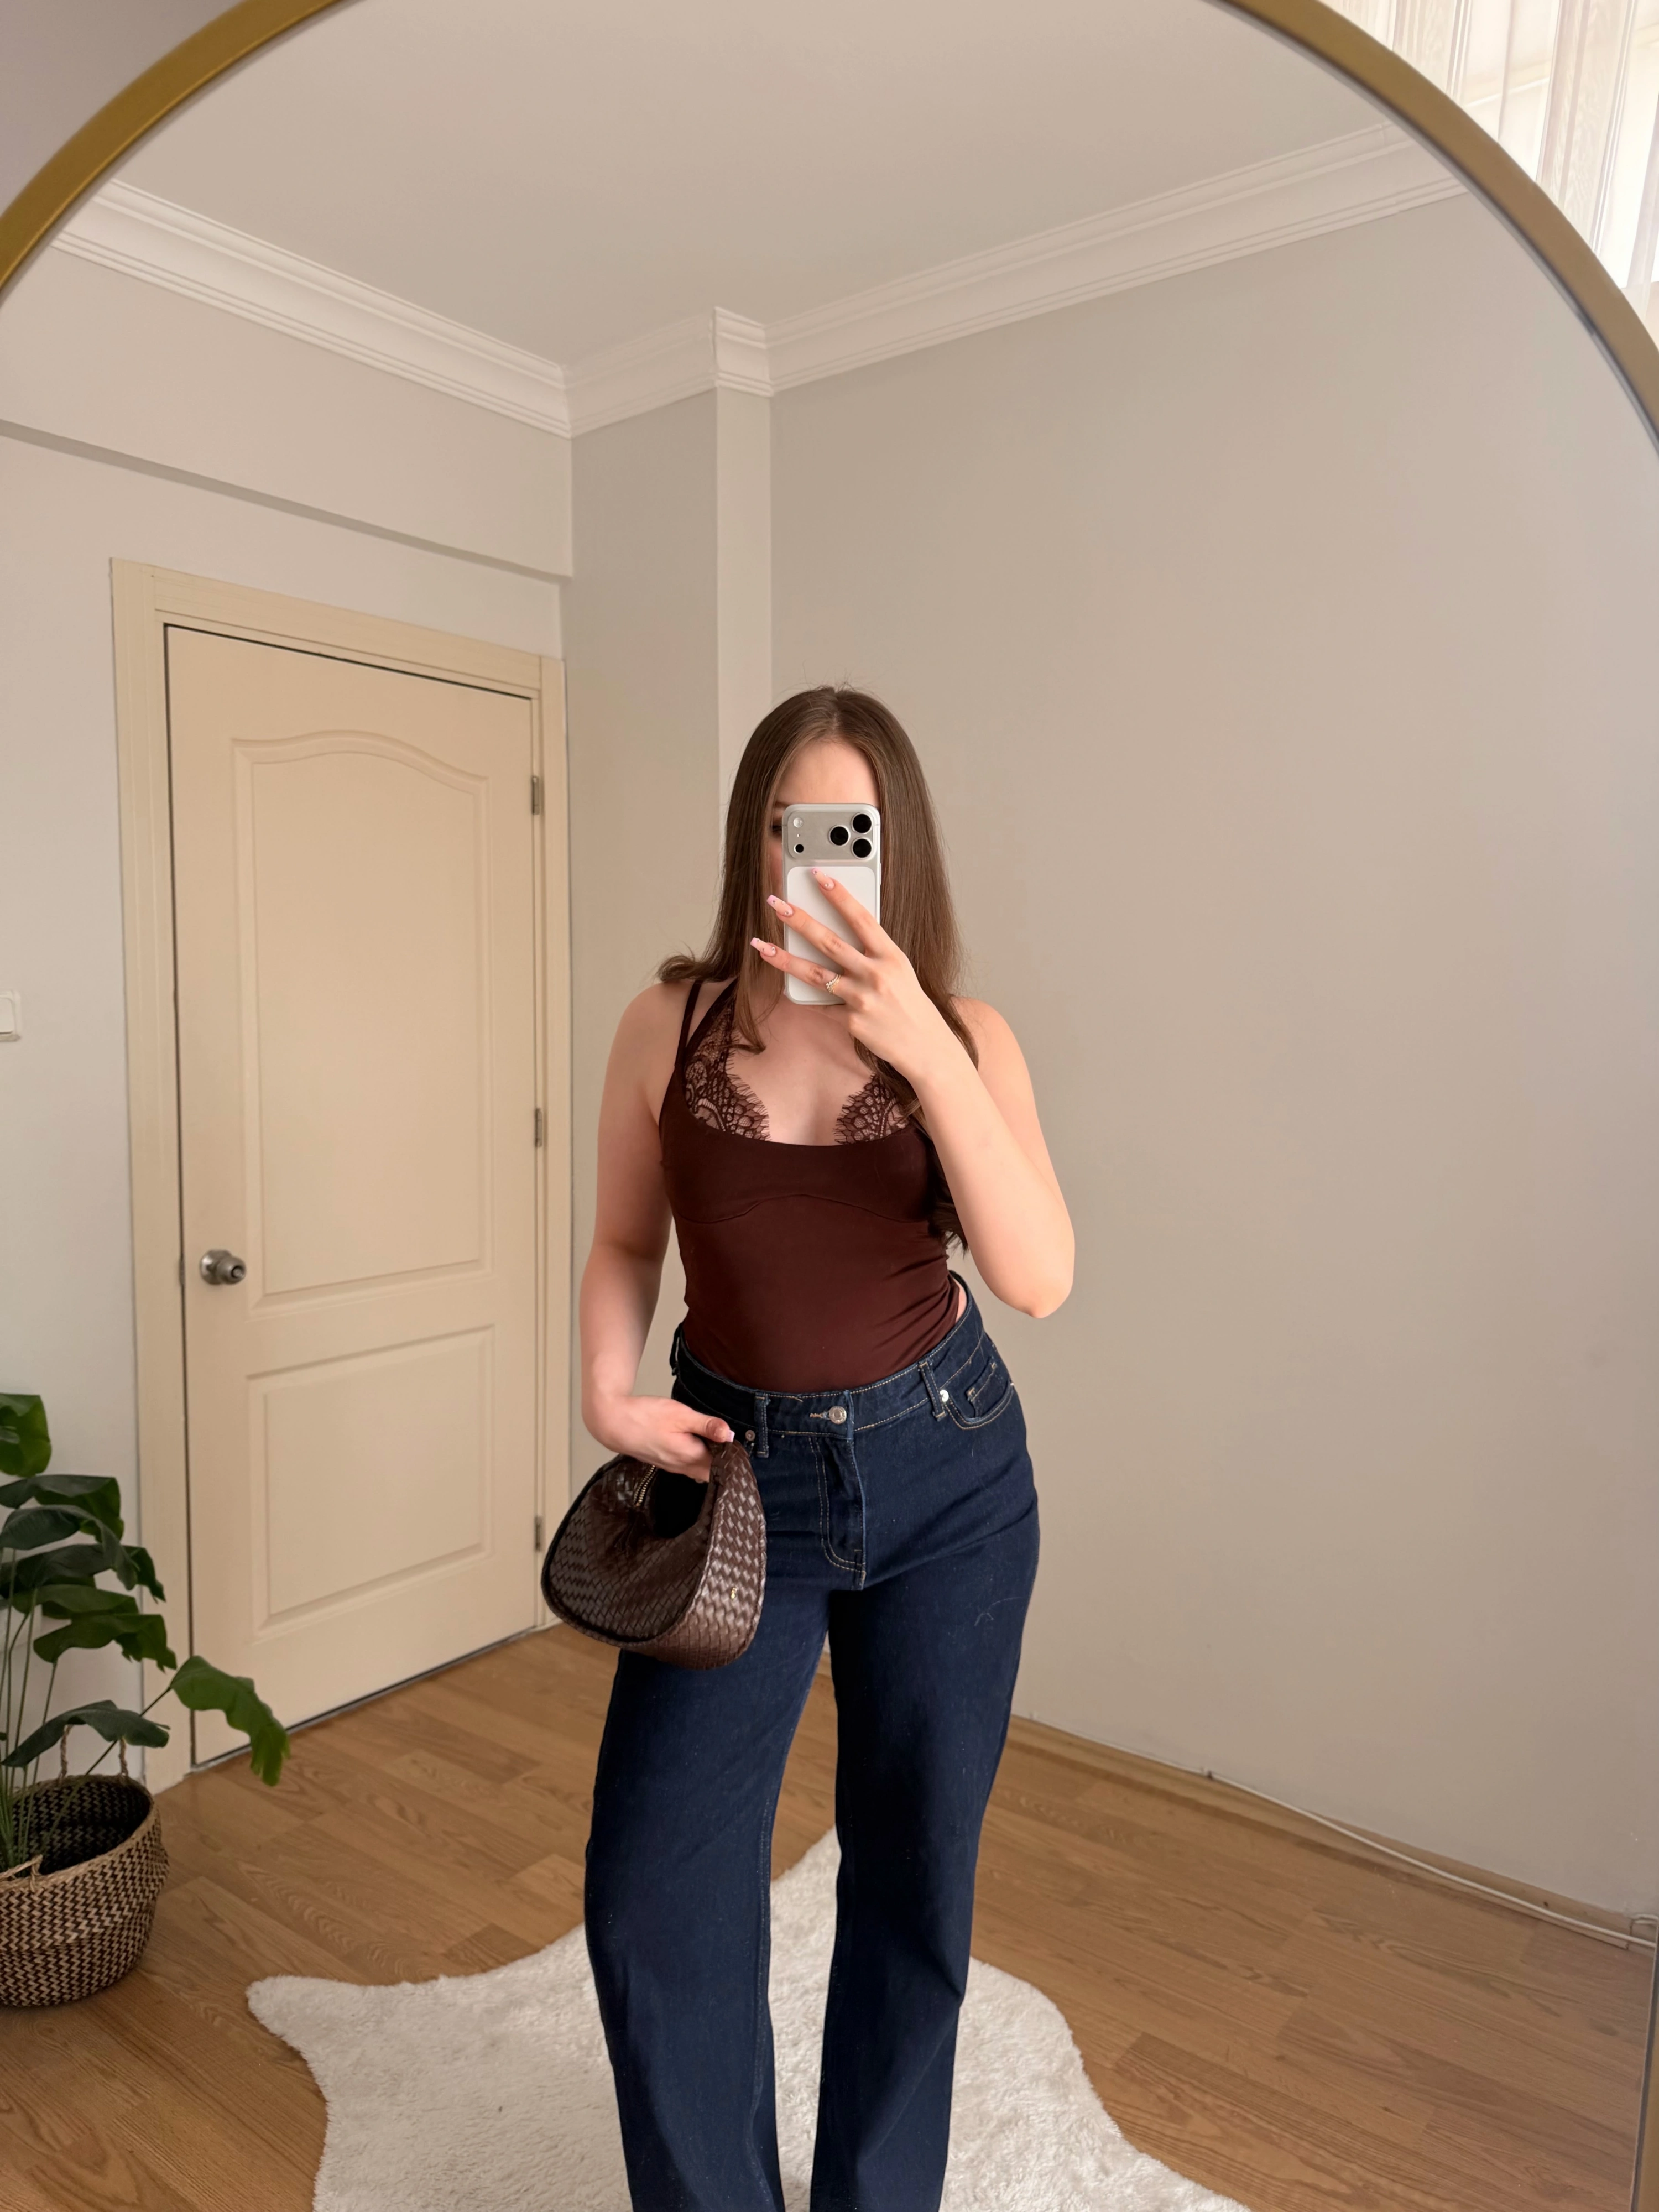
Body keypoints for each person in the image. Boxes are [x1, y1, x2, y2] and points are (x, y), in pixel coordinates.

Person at [578, 685, 1074, 2212]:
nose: (823, 856)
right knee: (653, 1894)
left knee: (913, 1879)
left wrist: (927, 1050)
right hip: (737, 1489)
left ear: (893, 846)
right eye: (800, 825)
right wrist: (606, 1393)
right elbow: (624, 1242)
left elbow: (1040, 1276)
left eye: (852, 830)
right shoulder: (668, 1024)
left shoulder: (963, 1037)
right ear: (757, 835)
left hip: (949, 1480)